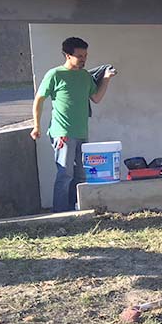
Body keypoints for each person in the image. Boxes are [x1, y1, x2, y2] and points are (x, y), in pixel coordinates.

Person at [30, 37, 116, 212]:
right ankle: (60, 212)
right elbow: (39, 99)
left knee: (81, 175)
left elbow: (96, 98)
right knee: (65, 174)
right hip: (63, 133)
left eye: (85, 55)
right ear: (67, 55)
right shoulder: (55, 75)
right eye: (79, 55)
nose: (83, 59)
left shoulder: (85, 76)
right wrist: (37, 126)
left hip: (82, 133)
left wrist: (106, 79)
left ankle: (77, 208)